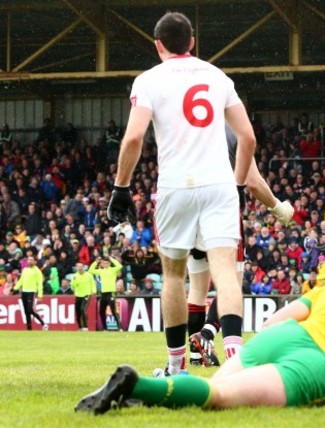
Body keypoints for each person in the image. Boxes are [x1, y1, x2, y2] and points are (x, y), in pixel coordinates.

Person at [75, 257, 325, 414]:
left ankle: (141, 396)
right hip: (321, 362)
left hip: (284, 336)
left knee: (214, 391)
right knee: (219, 398)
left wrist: (264, 351)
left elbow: (275, 321)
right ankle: (136, 386)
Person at [107, 11, 258, 375]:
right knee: (225, 273)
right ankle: (237, 361)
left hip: (176, 186)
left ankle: (176, 367)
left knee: (174, 276)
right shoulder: (218, 76)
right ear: (192, 42)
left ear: (158, 44)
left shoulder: (148, 80)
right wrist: (237, 185)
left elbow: (133, 138)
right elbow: (248, 138)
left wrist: (121, 187)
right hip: (220, 184)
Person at [186, 126, 294, 368]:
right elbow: (254, 183)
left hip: (188, 210)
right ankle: (234, 359)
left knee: (196, 289)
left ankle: (197, 351)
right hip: (221, 210)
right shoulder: (234, 131)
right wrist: (279, 207)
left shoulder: (186, 128)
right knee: (231, 285)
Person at [12, 256, 48, 331]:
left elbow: (39, 283)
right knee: (26, 312)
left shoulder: (37, 271)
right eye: (28, 260)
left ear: (35, 262)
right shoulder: (25, 270)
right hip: (24, 292)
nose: (30, 261)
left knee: (30, 310)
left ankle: (43, 323)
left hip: (31, 292)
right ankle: (29, 329)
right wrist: (14, 289)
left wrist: (40, 295)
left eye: (31, 260)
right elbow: (21, 281)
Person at [89, 256, 123, 331]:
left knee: (113, 310)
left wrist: (111, 258)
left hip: (111, 292)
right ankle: (105, 328)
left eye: (107, 263)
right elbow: (90, 270)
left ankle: (119, 327)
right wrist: (96, 262)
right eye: (104, 263)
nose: (105, 264)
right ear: (102, 264)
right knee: (101, 311)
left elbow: (120, 266)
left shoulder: (113, 270)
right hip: (103, 293)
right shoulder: (101, 271)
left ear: (109, 264)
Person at [71, 262, 95, 331]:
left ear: (84, 267)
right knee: (78, 312)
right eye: (78, 267)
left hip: (86, 294)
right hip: (78, 295)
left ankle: (85, 327)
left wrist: (93, 291)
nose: (80, 268)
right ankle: (80, 327)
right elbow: (72, 287)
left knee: (83, 309)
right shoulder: (75, 276)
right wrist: (74, 282)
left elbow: (93, 283)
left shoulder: (89, 275)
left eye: (81, 266)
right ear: (76, 268)